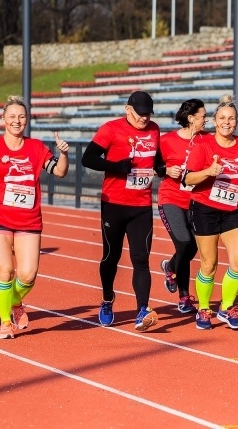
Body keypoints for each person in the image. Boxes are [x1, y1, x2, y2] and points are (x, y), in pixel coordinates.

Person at [0, 95, 69, 339]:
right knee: (5, 271)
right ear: (3, 120)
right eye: (12, 116)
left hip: (28, 219)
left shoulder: (37, 147)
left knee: (28, 275)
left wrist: (64, 154)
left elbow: (60, 171)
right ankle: (5, 322)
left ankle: (14, 301)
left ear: (27, 120)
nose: (17, 121)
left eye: (21, 116)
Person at [81, 91, 163, 331]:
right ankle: (107, 300)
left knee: (141, 259)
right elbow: (88, 158)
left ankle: (142, 311)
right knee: (111, 257)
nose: (144, 119)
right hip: (114, 204)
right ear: (128, 110)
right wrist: (115, 167)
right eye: (140, 115)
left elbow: (156, 158)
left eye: (148, 114)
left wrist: (161, 168)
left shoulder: (155, 129)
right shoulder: (110, 129)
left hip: (141, 206)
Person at [183, 94, 238, 330]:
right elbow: (187, 178)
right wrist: (208, 172)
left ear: (236, 121)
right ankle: (204, 309)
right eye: (222, 118)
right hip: (206, 208)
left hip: (234, 210)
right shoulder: (203, 145)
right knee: (208, 264)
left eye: (231, 119)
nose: (227, 122)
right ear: (214, 121)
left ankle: (226, 307)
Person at [157, 99, 208, 314]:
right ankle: (184, 296)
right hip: (171, 199)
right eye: (203, 116)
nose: (206, 120)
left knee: (194, 246)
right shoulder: (166, 140)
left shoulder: (207, 140)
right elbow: (154, 165)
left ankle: (170, 267)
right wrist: (166, 170)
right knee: (185, 244)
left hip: (197, 201)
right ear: (190, 118)